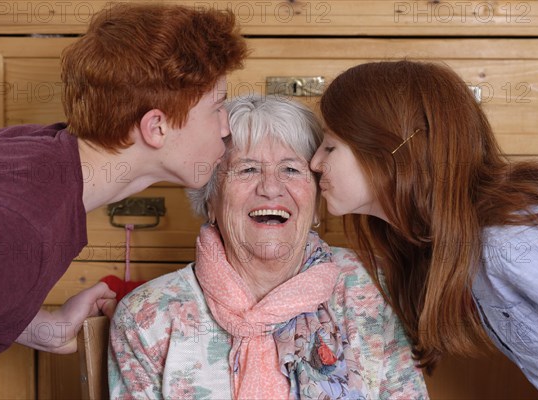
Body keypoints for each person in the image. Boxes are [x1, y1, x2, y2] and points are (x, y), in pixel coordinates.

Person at [108, 95, 428, 399]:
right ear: (210, 202)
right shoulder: (147, 318)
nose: (271, 187)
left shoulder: (370, 287)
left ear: (317, 203)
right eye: (248, 169)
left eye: (290, 169)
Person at [310, 60, 538, 399]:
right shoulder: (443, 246)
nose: (314, 163)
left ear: (392, 153)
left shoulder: (511, 242)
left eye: (329, 146)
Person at [0, 3, 247, 356]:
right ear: (156, 127)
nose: (226, 126)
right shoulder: (25, 226)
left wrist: (38, 327)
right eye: (217, 108)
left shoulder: (38, 154)